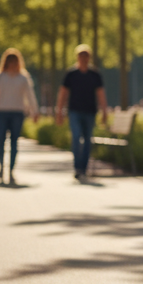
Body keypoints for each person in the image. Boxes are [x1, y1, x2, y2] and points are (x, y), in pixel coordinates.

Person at [55, 45, 108, 183]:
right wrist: (59, 111)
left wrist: (104, 111)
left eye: (86, 56)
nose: (83, 59)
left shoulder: (95, 74)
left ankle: (83, 169)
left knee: (87, 141)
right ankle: (77, 168)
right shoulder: (71, 74)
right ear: (77, 57)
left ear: (89, 58)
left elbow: (101, 94)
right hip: (74, 112)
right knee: (76, 137)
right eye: (81, 56)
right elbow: (63, 93)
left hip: (90, 112)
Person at [0, 49, 39, 186]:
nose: (12, 64)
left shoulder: (23, 78)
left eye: (15, 61)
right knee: (0, 141)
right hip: (1, 112)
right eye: (10, 61)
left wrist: (34, 111)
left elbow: (30, 95)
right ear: (6, 62)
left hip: (17, 112)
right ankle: (1, 166)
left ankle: (11, 170)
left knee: (14, 142)